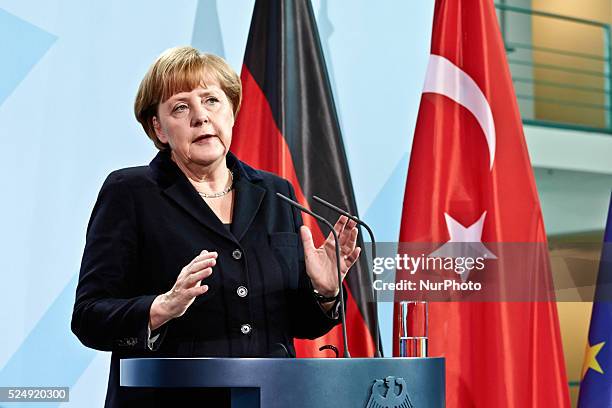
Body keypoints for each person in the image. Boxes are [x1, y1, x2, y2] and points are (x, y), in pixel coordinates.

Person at [71, 46, 361, 407]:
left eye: (212, 101)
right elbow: (88, 317)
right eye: (181, 107)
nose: (200, 117)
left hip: (271, 398)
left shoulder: (276, 194)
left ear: (232, 113)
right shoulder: (131, 193)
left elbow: (301, 326)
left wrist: (324, 292)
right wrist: (161, 307)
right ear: (159, 129)